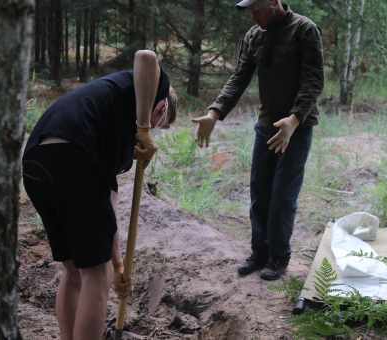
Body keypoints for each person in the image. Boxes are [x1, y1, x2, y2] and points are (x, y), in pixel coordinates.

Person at [22, 50, 177, 340]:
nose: (154, 131)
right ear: (162, 108)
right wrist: (144, 129)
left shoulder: (108, 119)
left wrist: (118, 266)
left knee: (73, 270)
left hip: (37, 162)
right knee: (95, 275)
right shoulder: (150, 88)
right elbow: (145, 56)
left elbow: (106, 204)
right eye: (160, 124)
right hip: (73, 156)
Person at [192, 0, 324, 281]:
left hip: (296, 129)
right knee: (259, 193)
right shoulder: (255, 35)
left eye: (257, 9)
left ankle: (278, 257)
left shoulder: (304, 30)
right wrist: (214, 113)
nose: (253, 16)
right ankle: (259, 253)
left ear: (274, 3)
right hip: (266, 127)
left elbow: (313, 81)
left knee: (282, 197)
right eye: (249, 11)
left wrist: (294, 119)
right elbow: (239, 77)